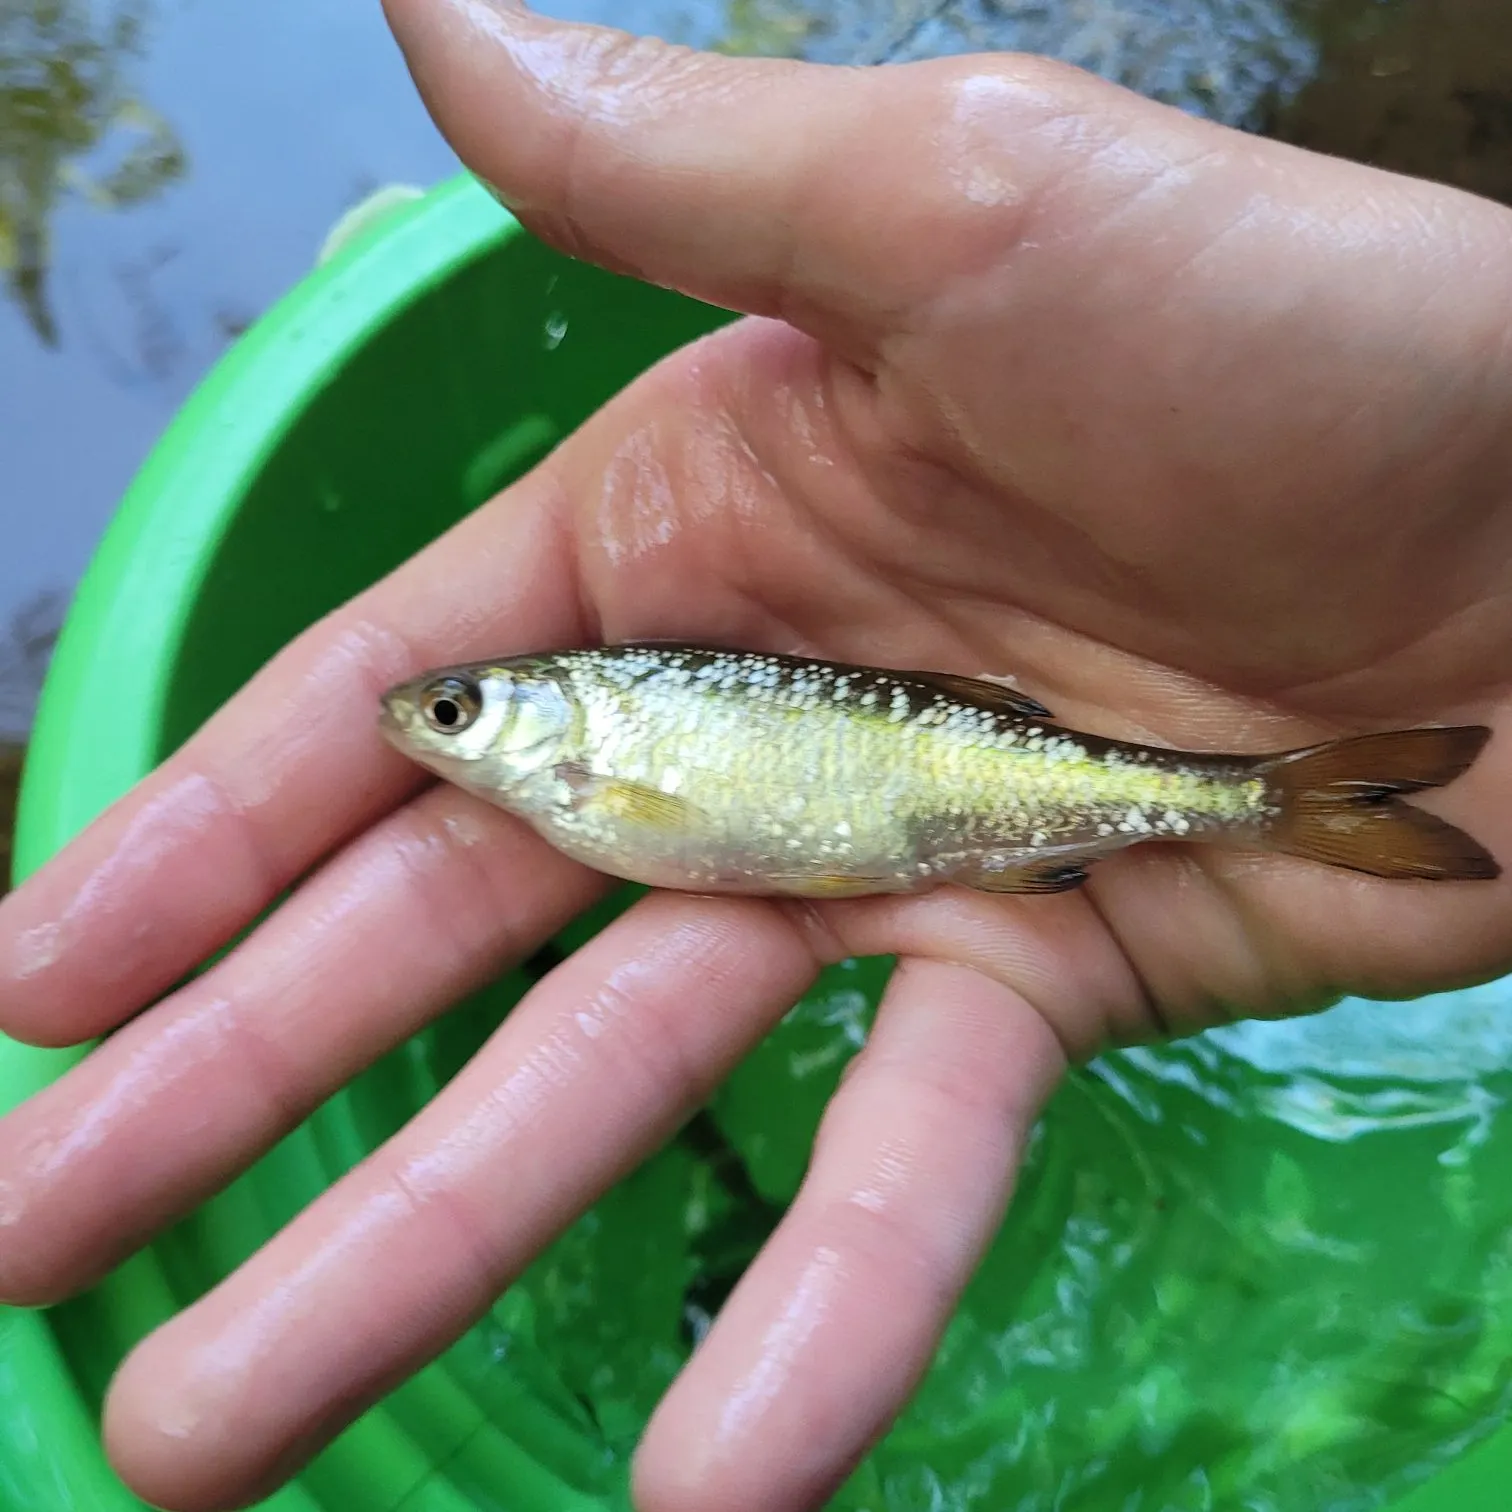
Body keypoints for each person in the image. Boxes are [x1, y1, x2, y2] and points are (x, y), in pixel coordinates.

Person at [3, 1, 1512, 1508]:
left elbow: (652, 813)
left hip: (994, 783)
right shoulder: (587, 767)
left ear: (549, 721)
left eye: (459, 713)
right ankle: (1277, 805)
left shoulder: (604, 769)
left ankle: (1271, 805)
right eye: (449, 715)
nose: (432, 727)